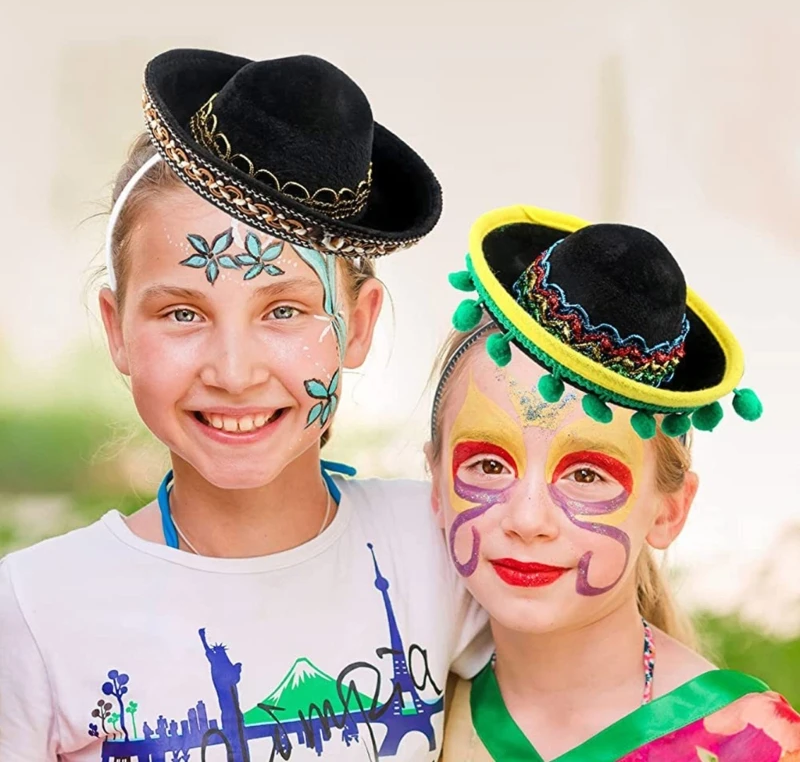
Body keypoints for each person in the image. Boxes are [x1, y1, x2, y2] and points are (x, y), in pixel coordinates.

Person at [0, 48, 488, 762]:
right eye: (181, 314)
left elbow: (586, 692)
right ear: (117, 330)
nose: (233, 371)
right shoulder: (36, 611)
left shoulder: (441, 547)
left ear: (356, 326)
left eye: (285, 310)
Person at [428, 204, 800, 761]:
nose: (528, 519)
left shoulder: (753, 745)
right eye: (488, 465)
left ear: (669, 510)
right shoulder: (398, 719)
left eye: (586, 474)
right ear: (434, 484)